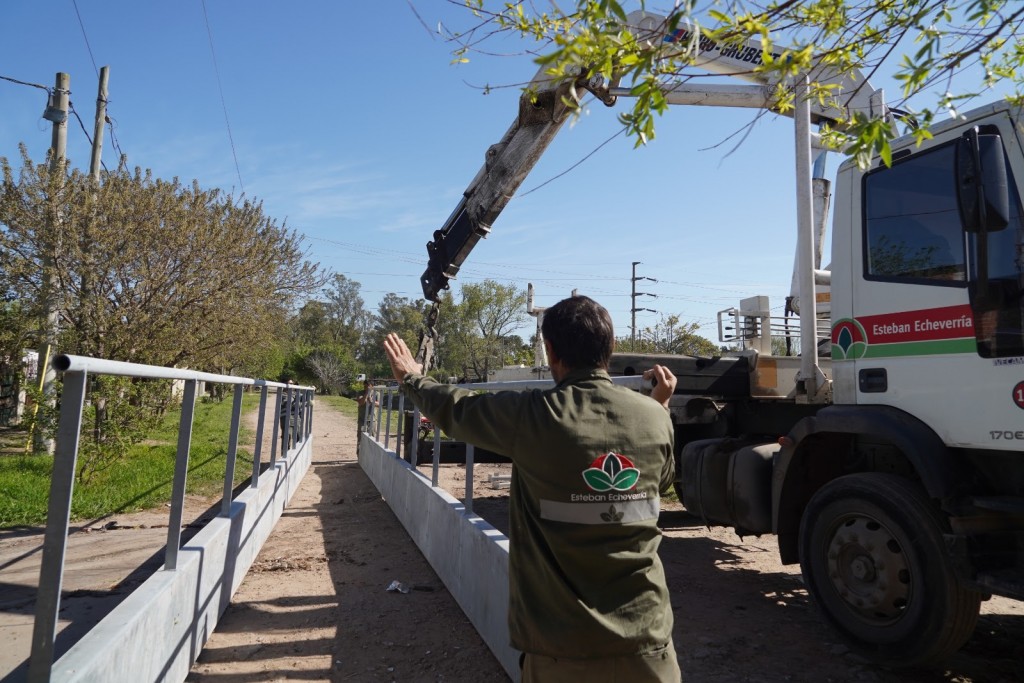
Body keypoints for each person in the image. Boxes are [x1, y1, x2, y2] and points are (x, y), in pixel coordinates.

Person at [383, 295, 681, 682]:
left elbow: (456, 408)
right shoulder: (655, 417)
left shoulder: (533, 415)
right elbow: (662, 481)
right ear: (609, 348)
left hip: (562, 651)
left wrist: (411, 377)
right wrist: (658, 407)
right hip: (648, 644)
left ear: (551, 350)